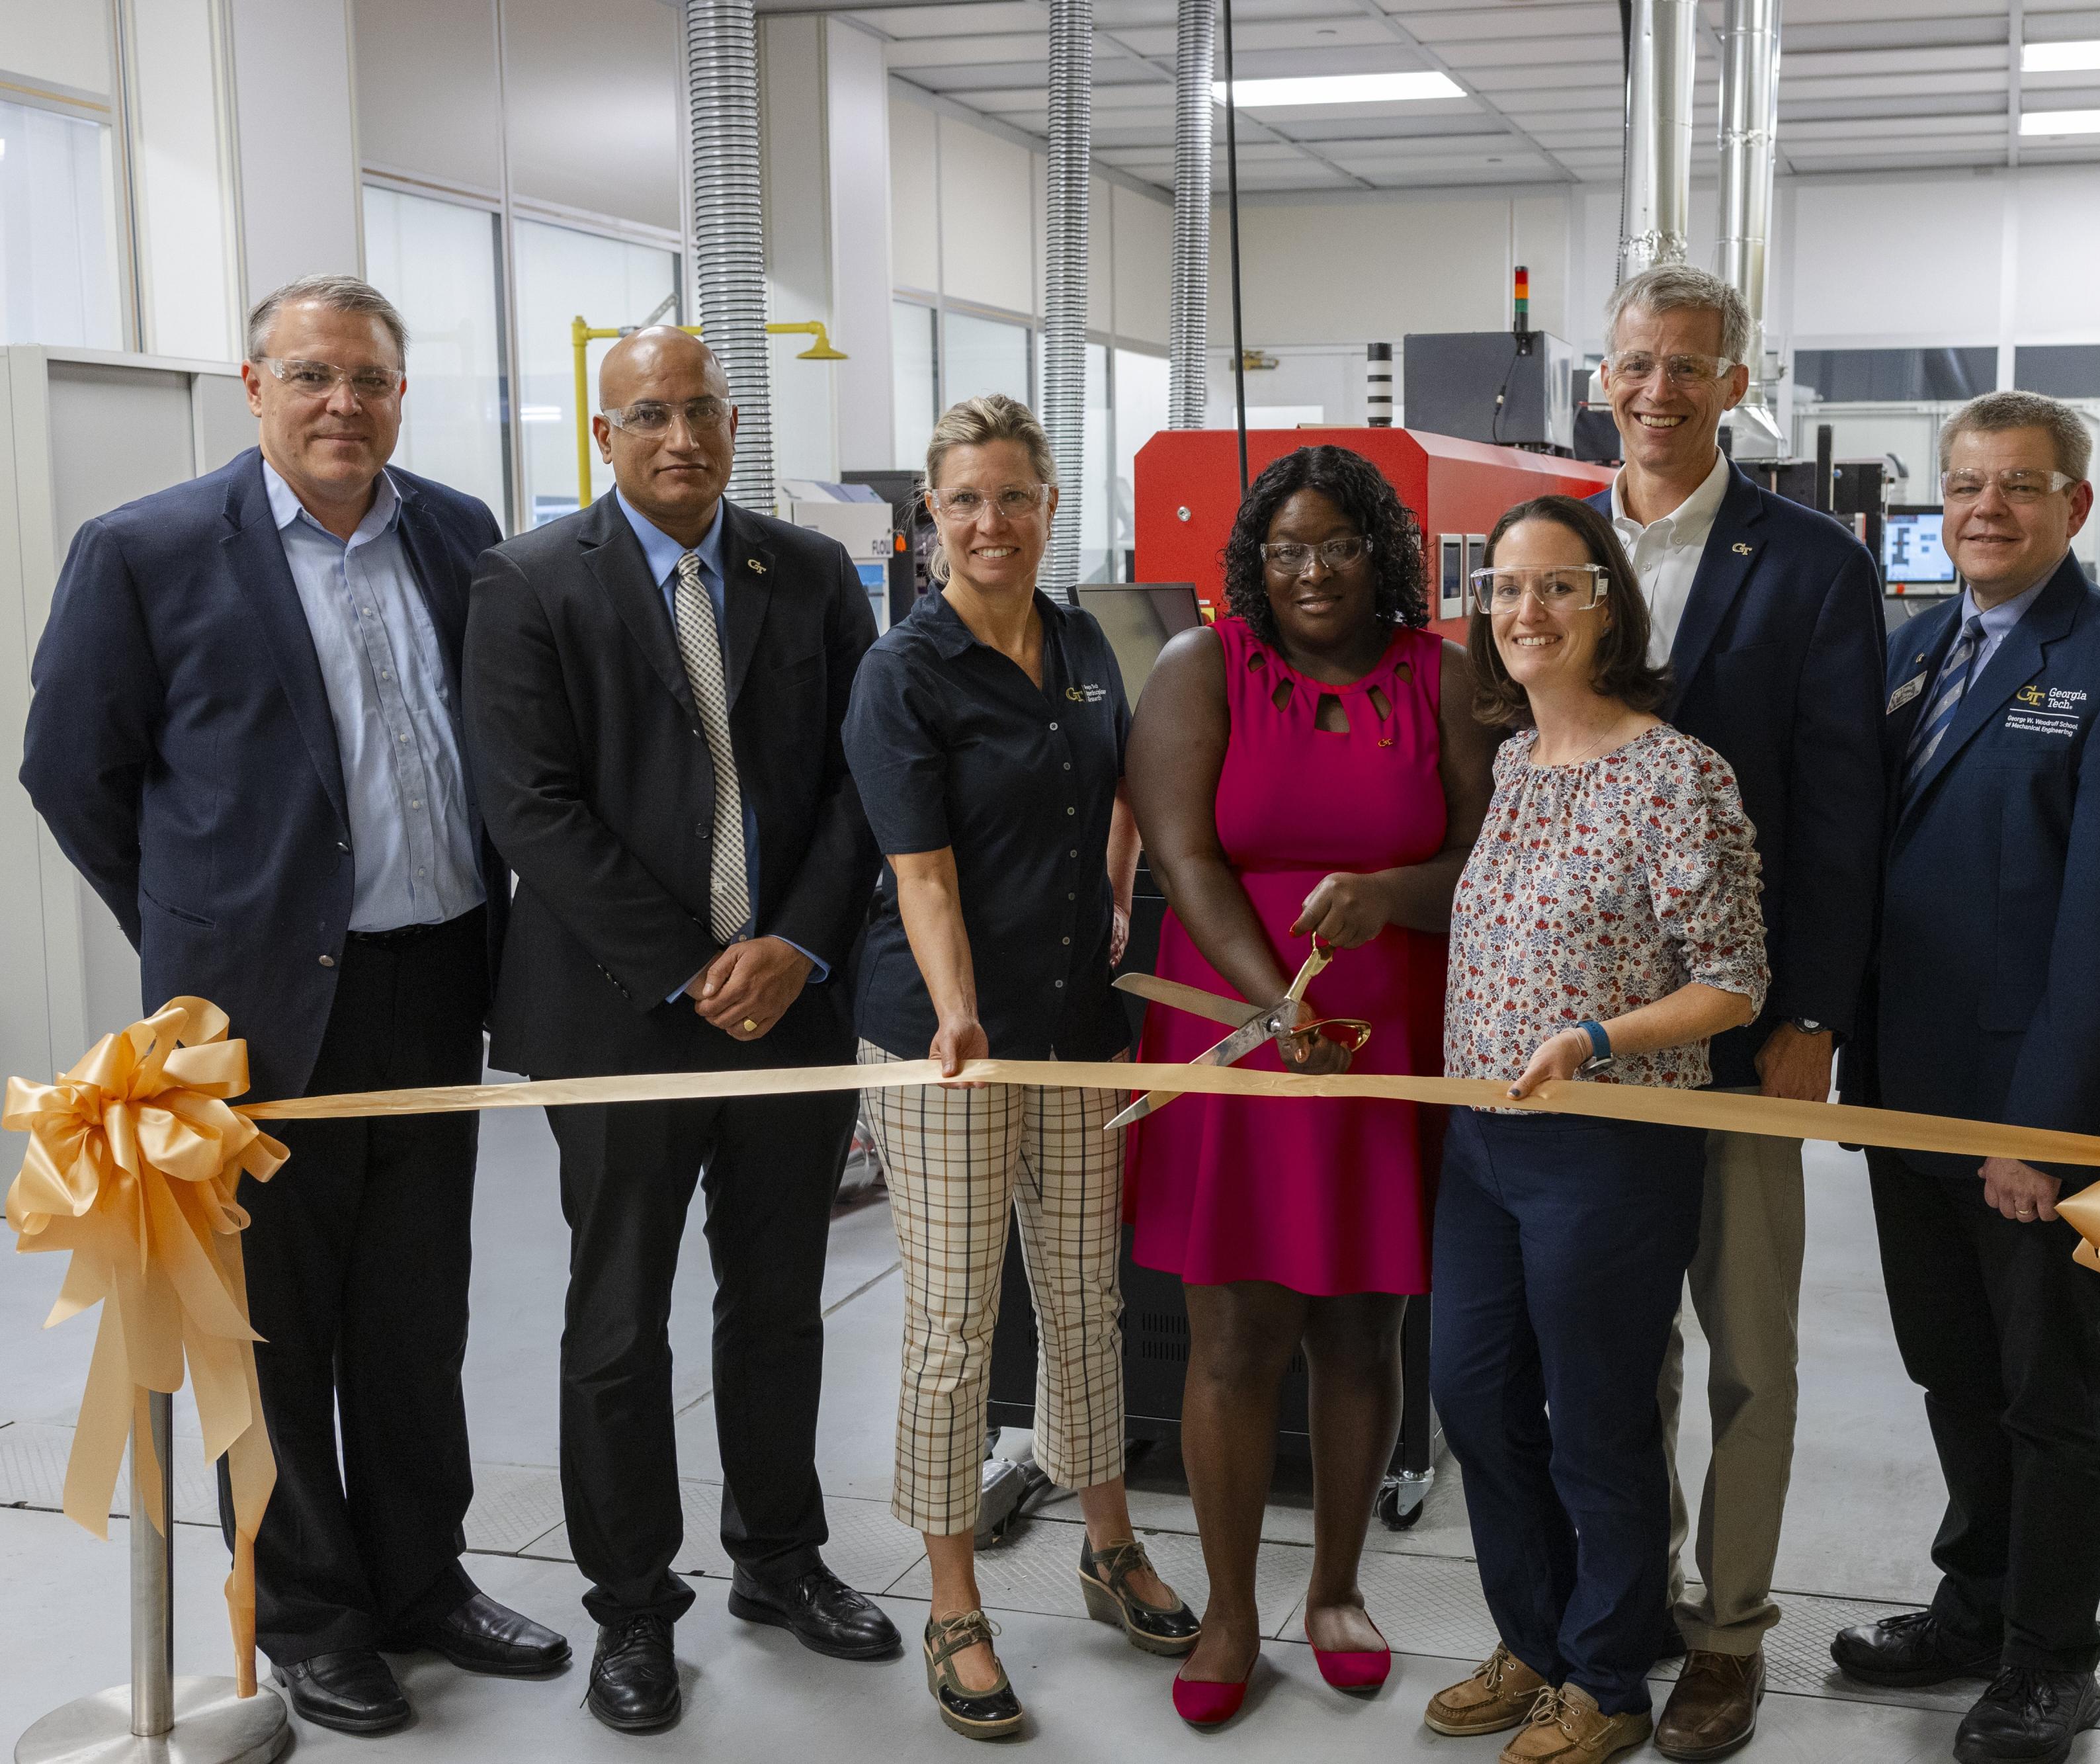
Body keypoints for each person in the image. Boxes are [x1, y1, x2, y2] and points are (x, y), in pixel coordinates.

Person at [19, 274, 566, 1734]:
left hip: (435, 978)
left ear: (401, 394)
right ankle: (312, 1611)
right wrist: (197, 928)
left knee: (412, 1310)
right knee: (268, 1331)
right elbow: (71, 768)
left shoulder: (456, 534)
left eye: (371, 380)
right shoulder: (143, 551)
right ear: (252, 385)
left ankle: (420, 1578)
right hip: (245, 1019)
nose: (343, 405)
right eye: (312, 376)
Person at [463, 328, 891, 1735]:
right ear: (605, 433)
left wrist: (796, 946)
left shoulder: (811, 573)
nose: (680, 436)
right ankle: (633, 1604)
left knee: (775, 1302)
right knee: (616, 1320)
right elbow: (530, 806)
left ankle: (779, 1556)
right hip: (618, 1016)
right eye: (648, 413)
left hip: (791, 1003)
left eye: (701, 409)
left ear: (729, 420)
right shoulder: (529, 584)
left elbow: (856, 777)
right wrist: (699, 968)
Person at [1832, 391, 2100, 1764]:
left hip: (2036, 1115)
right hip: (1907, 1099)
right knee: (1949, 1372)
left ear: (2071, 503)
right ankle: (1974, 1600)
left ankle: (2052, 1657)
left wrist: (2041, 1134)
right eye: (1962, 484)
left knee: (2048, 1390)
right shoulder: (1916, 646)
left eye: (2016, 485)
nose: (1982, 508)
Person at [844, 394, 1198, 1742]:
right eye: (965, 500)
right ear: (930, 515)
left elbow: (1110, 785)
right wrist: (956, 1015)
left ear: (1051, 506)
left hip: (1074, 1023)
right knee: (950, 1321)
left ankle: (1105, 1544)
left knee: (1084, 1293)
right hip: (951, 1042)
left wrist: (1114, 902)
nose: (991, 522)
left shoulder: (1084, 643)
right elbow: (918, 869)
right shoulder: (905, 671)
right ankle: (952, 1598)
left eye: (1016, 497)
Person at [1124, 445, 1496, 1726]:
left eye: (1336, 543)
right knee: (1233, 1332)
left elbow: (1480, 855)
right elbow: (1179, 852)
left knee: (1361, 1325)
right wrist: (1273, 1001)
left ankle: (1335, 1586)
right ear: (1252, 564)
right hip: (1241, 1029)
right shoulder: (1202, 669)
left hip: (1391, 1036)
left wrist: (1390, 895)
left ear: (1380, 552)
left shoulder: (1437, 678)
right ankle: (1230, 1608)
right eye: (1283, 549)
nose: (1310, 569)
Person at [1585, 263, 1888, 1761]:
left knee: (1746, 1344)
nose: (1657, 389)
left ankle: (1730, 1631)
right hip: (1577, 1031)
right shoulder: (1551, 545)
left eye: (1688, 367)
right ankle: (1621, 1602)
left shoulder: (1812, 564)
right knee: (1609, 1339)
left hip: (1741, 1014)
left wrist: (1811, 1012)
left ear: (1735, 381)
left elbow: (1843, 806)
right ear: (1600, 372)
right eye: (1635, 362)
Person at [1425, 495, 1767, 1764]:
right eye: (1506, 591)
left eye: (1557, 587)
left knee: (1598, 1415)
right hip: (1480, 1141)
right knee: (1472, 1393)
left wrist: (1600, 1040)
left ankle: (1610, 1677)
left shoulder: (1676, 772)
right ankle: (1536, 1637)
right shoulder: (1513, 761)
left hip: (1610, 1143)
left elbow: (1734, 981)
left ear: (1606, 602)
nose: (1527, 613)